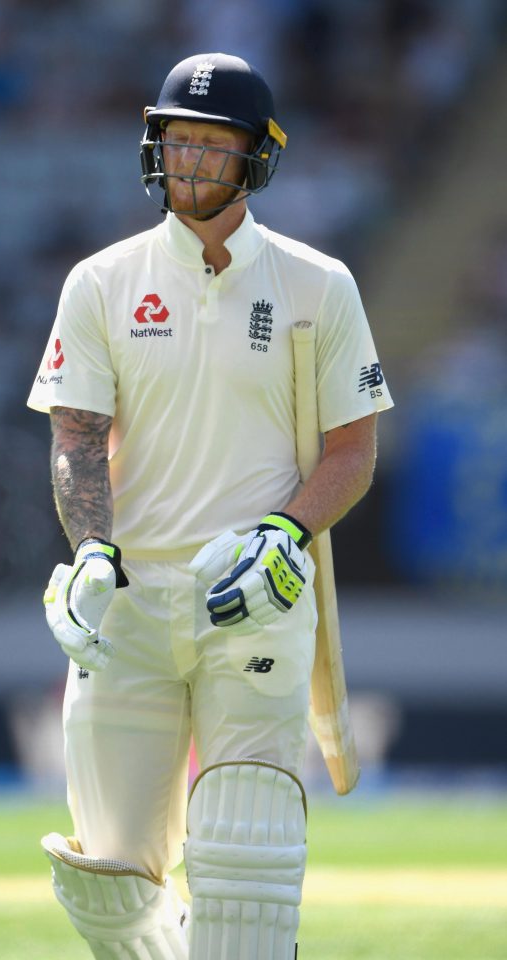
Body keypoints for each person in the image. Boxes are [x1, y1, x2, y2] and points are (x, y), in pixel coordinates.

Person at [28, 52, 393, 960]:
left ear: (255, 159)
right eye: (176, 143)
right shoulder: (101, 282)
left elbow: (354, 453)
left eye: (210, 147)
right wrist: (94, 554)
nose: (188, 163)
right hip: (131, 606)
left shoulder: (320, 284)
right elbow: (76, 439)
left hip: (257, 596)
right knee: (110, 885)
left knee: (245, 868)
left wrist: (285, 531)